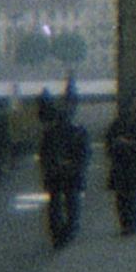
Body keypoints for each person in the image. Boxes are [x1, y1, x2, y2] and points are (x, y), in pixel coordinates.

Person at [37, 92, 89, 247]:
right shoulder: (79, 132)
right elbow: (84, 154)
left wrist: (50, 167)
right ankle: (69, 229)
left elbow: (44, 155)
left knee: (55, 204)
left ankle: (57, 233)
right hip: (72, 174)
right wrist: (76, 167)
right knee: (72, 202)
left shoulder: (49, 134)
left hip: (55, 174)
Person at [105, 92, 136, 235]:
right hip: (120, 164)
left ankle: (133, 224)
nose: (133, 107)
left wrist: (130, 144)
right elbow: (109, 141)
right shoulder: (118, 122)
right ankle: (124, 224)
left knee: (134, 195)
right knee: (121, 196)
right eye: (131, 103)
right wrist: (116, 144)